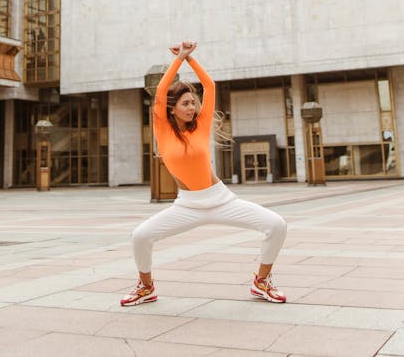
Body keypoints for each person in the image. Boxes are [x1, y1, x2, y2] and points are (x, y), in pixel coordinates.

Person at [120, 41, 287, 307]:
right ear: (172, 108)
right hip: (187, 205)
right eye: (185, 104)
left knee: (276, 225)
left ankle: (261, 281)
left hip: (222, 200)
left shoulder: (201, 126)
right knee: (141, 236)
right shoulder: (162, 128)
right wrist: (178, 60)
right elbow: (161, 91)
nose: (191, 108)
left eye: (193, 103)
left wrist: (191, 60)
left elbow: (209, 86)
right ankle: (146, 287)